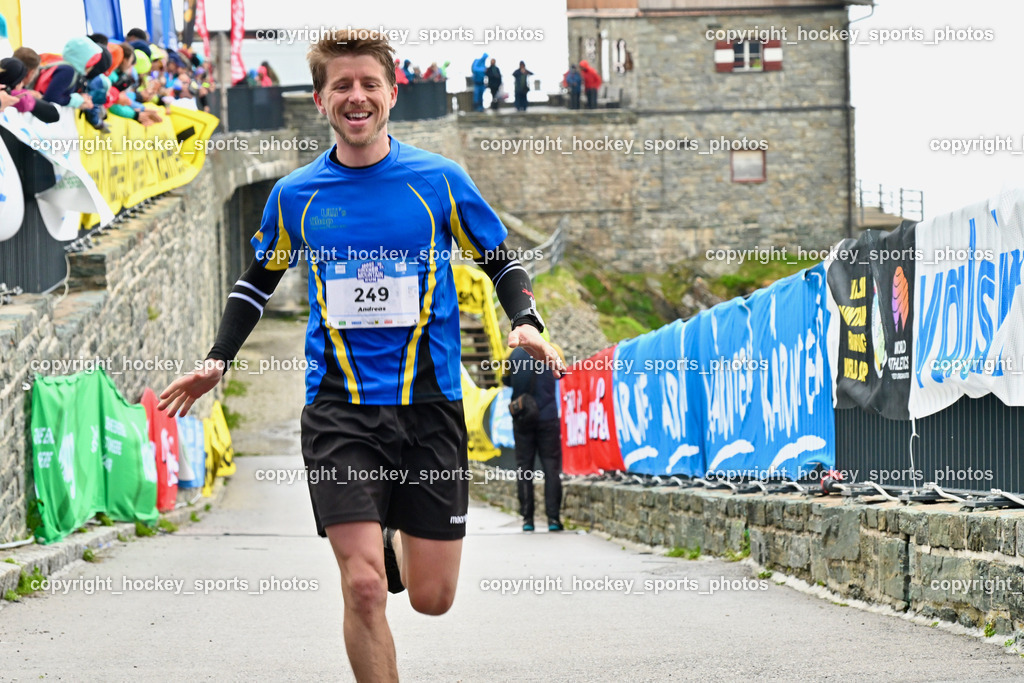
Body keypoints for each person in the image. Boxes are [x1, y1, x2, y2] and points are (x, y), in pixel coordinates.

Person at [157, 29, 565, 682]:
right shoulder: (297, 195)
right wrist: (217, 359)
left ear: (391, 93)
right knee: (364, 586)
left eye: (368, 84)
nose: (356, 96)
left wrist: (526, 319)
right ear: (320, 99)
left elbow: (499, 258)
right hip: (339, 411)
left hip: (430, 408)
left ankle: (398, 539)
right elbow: (257, 281)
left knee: (432, 598)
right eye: (341, 85)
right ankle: (377, 556)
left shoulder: (438, 181)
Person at [504, 345, 563, 532]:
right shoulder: (554, 350)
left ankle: (527, 520)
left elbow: (506, 380)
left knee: (524, 468)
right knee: (551, 468)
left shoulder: (511, 354)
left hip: (523, 418)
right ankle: (553, 519)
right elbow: (562, 374)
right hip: (548, 417)